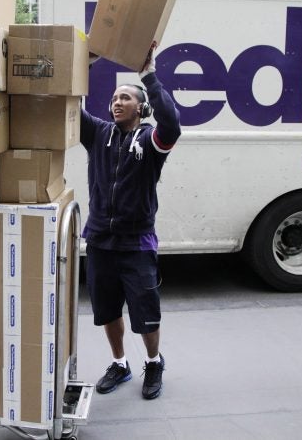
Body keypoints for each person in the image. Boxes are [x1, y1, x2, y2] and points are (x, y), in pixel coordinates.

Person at [82, 47, 181, 400]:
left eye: (125, 97)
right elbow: (71, 109)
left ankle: (153, 362)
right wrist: (85, 63)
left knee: (146, 313)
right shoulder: (98, 133)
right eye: (113, 98)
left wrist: (149, 76)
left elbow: (172, 123)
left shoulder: (152, 140)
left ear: (141, 107)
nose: (117, 102)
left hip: (136, 242)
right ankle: (120, 363)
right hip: (99, 241)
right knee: (107, 309)